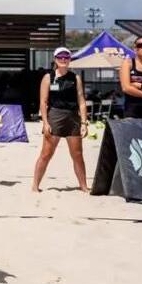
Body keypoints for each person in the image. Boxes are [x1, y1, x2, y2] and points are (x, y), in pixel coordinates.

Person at [31, 47, 89, 192]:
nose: (63, 60)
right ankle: (35, 186)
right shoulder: (48, 77)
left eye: (66, 57)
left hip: (72, 117)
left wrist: (84, 122)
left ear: (70, 59)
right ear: (55, 59)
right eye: (60, 57)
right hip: (55, 115)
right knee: (46, 154)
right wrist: (45, 122)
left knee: (77, 155)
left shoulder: (75, 78)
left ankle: (83, 186)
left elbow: (81, 101)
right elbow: (43, 102)